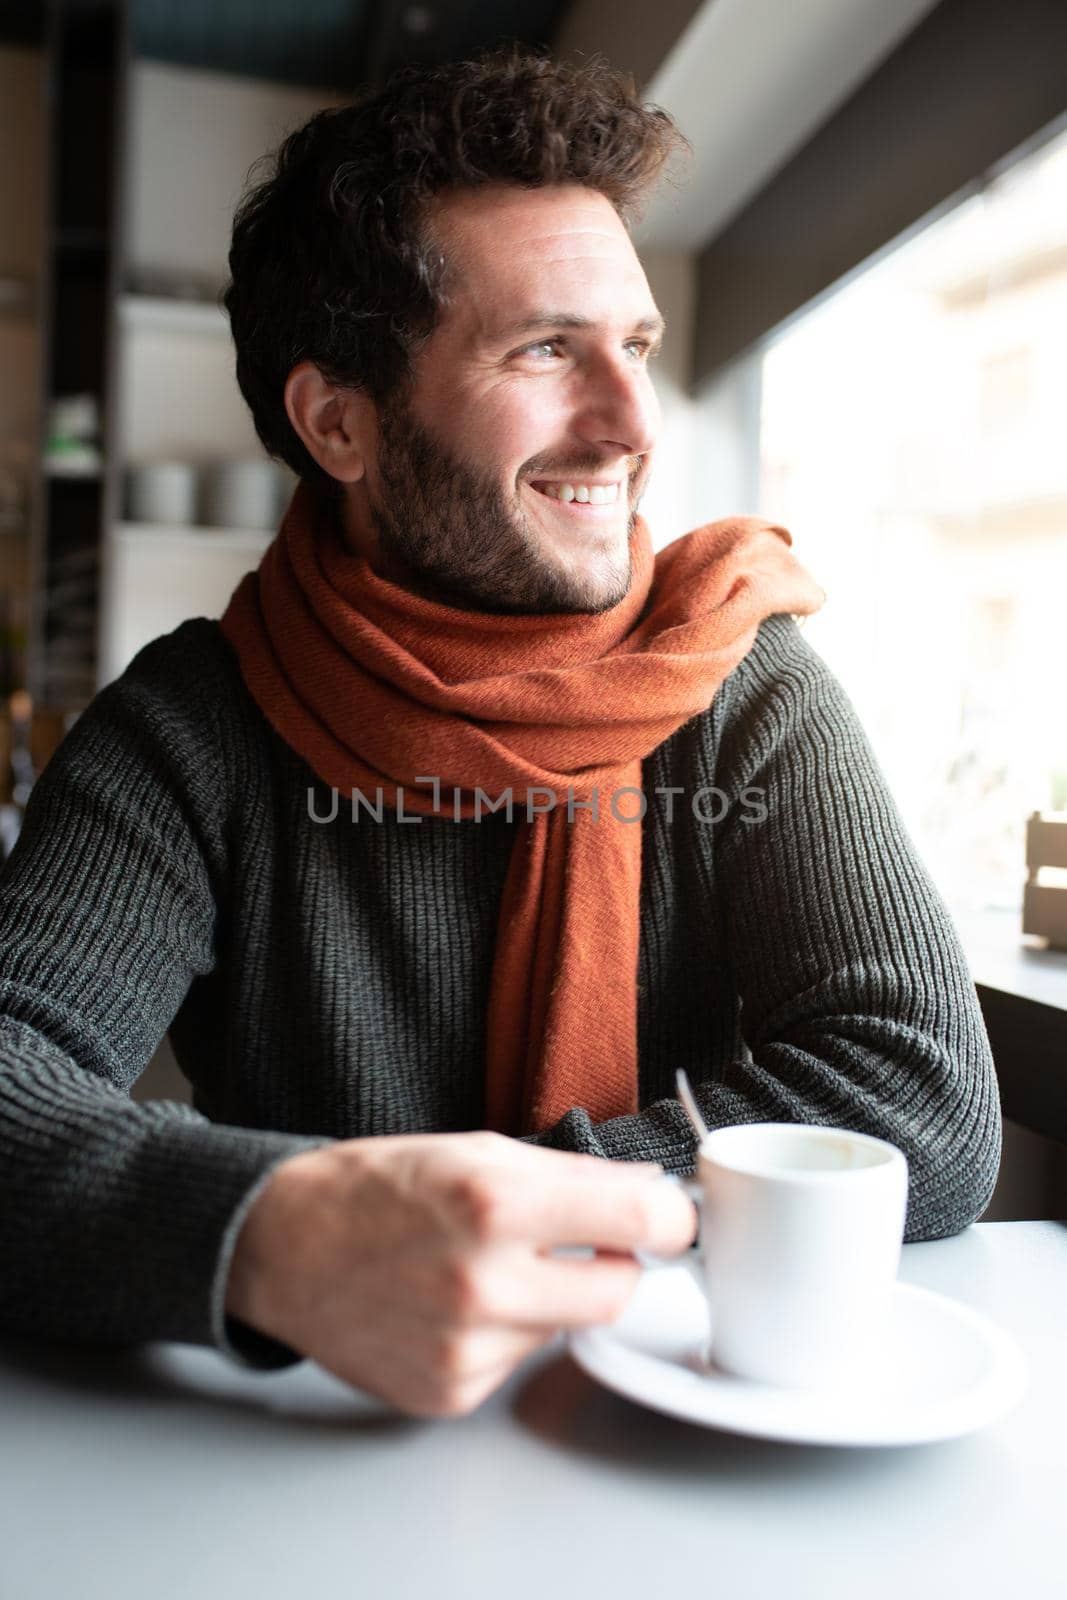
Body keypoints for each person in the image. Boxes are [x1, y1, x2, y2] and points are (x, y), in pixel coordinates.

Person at [0, 49, 1000, 1418]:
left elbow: (922, 1096)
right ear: (337, 423)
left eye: (635, 347)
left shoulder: (743, 683)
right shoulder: (191, 729)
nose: (633, 423)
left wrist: (540, 1204)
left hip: (683, 1433)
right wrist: (277, 1232)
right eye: (545, 350)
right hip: (303, 1451)